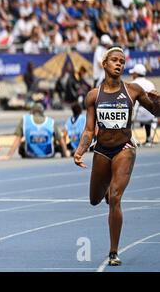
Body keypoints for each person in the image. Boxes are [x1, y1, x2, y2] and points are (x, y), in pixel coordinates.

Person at [74, 46, 160, 266]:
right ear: (104, 64)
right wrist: (80, 150)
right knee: (95, 199)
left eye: (122, 61)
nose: (119, 64)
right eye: (114, 60)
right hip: (102, 149)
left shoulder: (133, 90)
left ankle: (113, 252)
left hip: (125, 148)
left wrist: (158, 101)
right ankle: (108, 194)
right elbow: (88, 129)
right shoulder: (93, 95)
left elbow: (157, 112)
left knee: (115, 197)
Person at [0, 103, 70, 160]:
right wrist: (66, 153)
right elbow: (61, 140)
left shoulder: (25, 120)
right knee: (56, 145)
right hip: (48, 154)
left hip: (29, 154)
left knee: (22, 145)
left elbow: (17, 139)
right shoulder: (51, 121)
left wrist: (8, 155)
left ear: (31, 111)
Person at [129, 64, 157, 147]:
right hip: (150, 116)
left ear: (136, 74)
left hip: (136, 116)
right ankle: (148, 139)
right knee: (146, 110)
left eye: (133, 73)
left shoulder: (132, 84)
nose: (132, 75)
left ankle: (131, 139)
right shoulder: (150, 84)